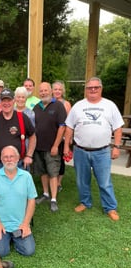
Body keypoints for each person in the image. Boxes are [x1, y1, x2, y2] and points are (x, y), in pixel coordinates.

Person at [63, 77, 123, 221]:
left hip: (102, 151)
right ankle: (85, 202)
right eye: (90, 88)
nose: (93, 90)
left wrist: (117, 146)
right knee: (81, 180)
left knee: (105, 181)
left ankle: (110, 207)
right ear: (86, 89)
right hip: (80, 150)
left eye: (96, 87)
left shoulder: (110, 105)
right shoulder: (78, 106)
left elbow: (118, 128)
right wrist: (66, 146)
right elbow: (69, 127)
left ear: (101, 88)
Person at [0, 146, 37, 257]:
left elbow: (31, 201)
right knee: (0, 252)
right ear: (1, 160)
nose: (9, 159)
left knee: (29, 251)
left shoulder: (26, 176)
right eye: (5, 157)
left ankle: (13, 237)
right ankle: (8, 238)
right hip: (0, 224)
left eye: (12, 156)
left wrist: (26, 224)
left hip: (19, 224)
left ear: (18, 158)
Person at [31, 82, 67, 212]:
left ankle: (53, 199)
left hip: (52, 147)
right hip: (38, 147)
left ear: (51, 91)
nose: (43, 93)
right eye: (41, 91)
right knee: (43, 172)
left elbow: (62, 127)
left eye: (45, 90)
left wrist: (56, 145)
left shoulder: (58, 106)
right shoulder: (36, 107)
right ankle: (45, 194)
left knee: (53, 172)